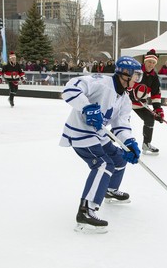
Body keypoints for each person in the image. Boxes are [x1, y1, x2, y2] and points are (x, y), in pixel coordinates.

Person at [59, 56, 143, 232]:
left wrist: (129, 143)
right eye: (136, 75)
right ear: (125, 74)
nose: (137, 80)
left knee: (120, 159)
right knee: (103, 165)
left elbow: (121, 124)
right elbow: (70, 88)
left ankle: (109, 189)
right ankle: (86, 210)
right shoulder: (101, 82)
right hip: (80, 132)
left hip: (99, 134)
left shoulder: (125, 99)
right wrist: (87, 107)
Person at [130, 49, 164, 155]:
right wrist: (131, 94)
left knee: (150, 119)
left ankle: (146, 144)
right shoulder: (137, 71)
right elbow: (128, 84)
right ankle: (110, 139)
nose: (151, 64)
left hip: (140, 104)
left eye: (153, 63)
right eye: (149, 62)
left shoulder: (154, 77)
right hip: (126, 102)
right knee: (122, 121)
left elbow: (155, 94)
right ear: (145, 61)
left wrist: (158, 110)